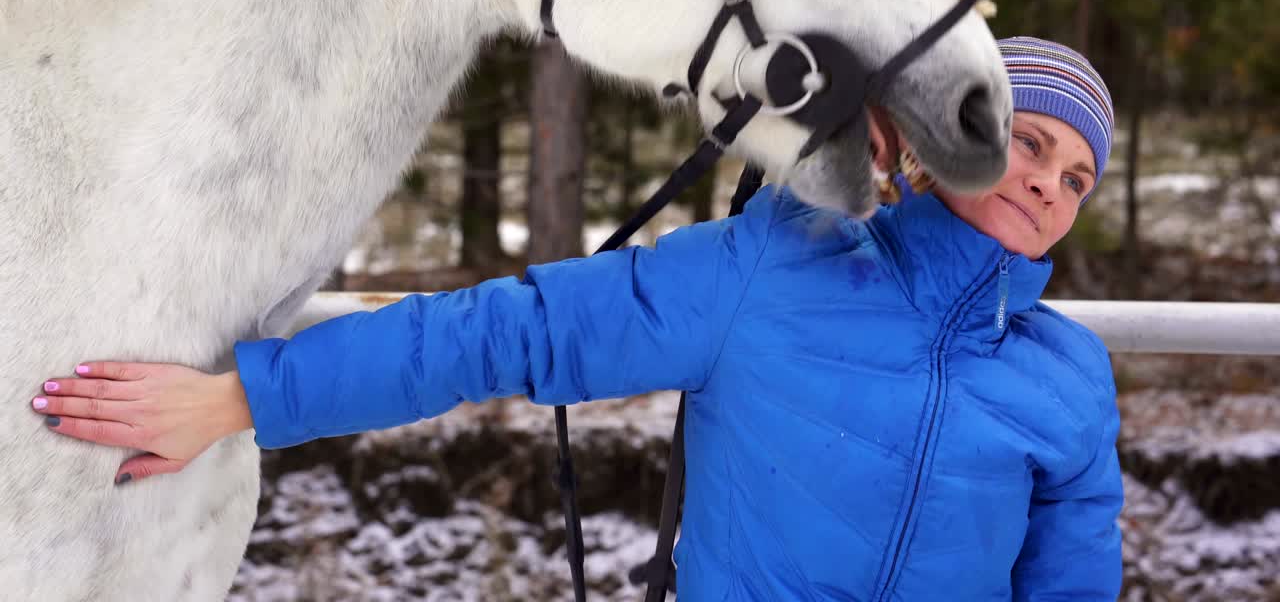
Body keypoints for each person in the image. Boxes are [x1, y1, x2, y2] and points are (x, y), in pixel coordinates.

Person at [30, 37, 1123, 600]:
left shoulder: (1066, 378)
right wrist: (241, 397)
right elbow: (504, 331)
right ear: (945, 136)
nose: (1046, 184)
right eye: (1029, 142)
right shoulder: (772, 266)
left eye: (1075, 177)